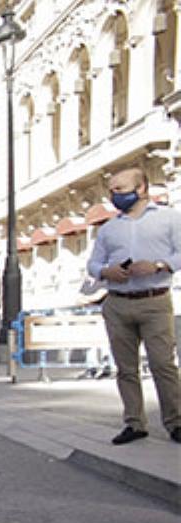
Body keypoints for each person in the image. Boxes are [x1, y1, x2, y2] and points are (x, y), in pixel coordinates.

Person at [86, 167, 181, 444]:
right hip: (117, 302)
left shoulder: (169, 218)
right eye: (112, 190)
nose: (114, 195)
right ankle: (134, 423)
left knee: (163, 364)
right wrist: (106, 272)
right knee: (126, 368)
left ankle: (176, 422)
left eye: (120, 189)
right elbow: (93, 263)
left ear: (141, 188)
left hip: (154, 299)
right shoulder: (109, 228)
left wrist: (159, 265)